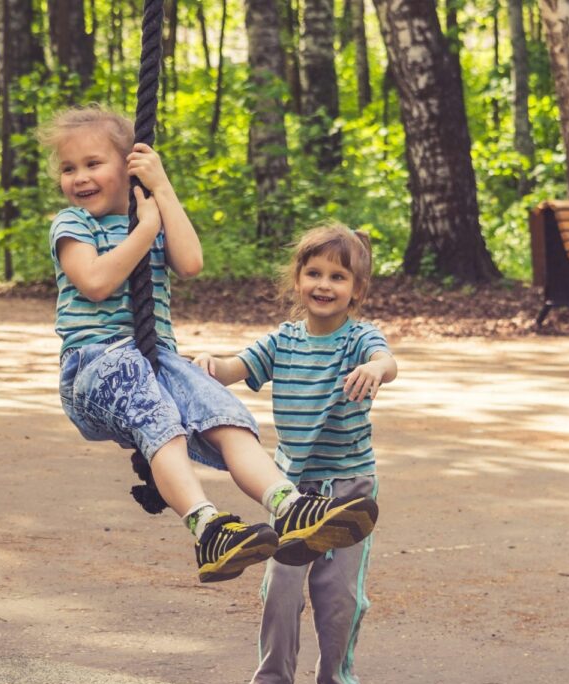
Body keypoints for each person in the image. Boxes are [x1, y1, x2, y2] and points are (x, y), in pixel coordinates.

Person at [41, 104, 379, 584]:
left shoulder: (148, 213)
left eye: (93, 164)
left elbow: (192, 261)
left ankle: (290, 507)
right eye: (69, 169)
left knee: (226, 415)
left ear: (131, 166)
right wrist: (145, 231)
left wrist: (161, 190)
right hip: (95, 366)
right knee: (162, 423)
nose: (79, 177)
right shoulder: (73, 225)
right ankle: (207, 527)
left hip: (154, 360)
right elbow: (95, 282)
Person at [192, 224, 397, 684]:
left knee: (339, 598)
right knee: (280, 588)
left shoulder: (359, 340)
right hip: (291, 493)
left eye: (338, 276)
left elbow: (386, 360)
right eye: (314, 273)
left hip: (349, 491)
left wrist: (377, 369)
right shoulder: (282, 340)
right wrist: (203, 365)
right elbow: (233, 368)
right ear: (298, 279)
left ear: (357, 290)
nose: (324, 285)